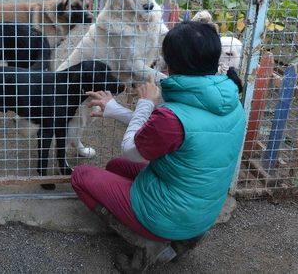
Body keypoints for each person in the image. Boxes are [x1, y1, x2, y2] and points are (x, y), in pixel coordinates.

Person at [71, 20, 246, 267]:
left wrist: (145, 103)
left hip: (170, 214)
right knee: (115, 166)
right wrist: (114, 109)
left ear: (170, 64)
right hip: (203, 211)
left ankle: (147, 242)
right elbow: (163, 132)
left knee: (81, 175)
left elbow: (133, 150)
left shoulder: (172, 116)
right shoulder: (230, 100)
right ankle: (183, 239)